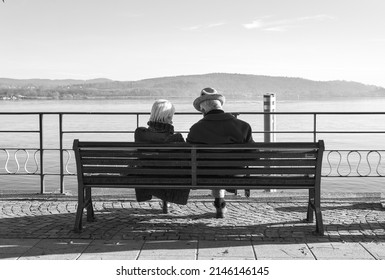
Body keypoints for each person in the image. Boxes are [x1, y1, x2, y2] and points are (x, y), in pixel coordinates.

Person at [186, 87, 254, 218]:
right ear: (220, 105)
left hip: (204, 175)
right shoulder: (243, 126)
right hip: (235, 174)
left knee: (213, 167)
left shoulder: (195, 129)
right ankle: (220, 203)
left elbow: (188, 156)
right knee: (221, 167)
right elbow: (254, 156)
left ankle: (219, 203)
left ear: (203, 109)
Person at [134, 99, 189, 212]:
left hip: (146, 175)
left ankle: (164, 201)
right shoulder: (176, 138)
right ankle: (166, 200)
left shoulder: (140, 133)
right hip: (170, 176)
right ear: (169, 117)